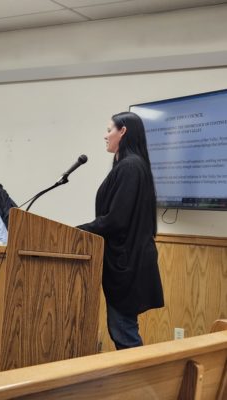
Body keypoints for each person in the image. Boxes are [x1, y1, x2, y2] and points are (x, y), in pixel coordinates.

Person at [77, 111, 164, 350]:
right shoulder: (131, 165)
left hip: (128, 263)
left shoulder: (130, 166)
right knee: (122, 330)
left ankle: (140, 375)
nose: (105, 136)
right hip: (127, 260)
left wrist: (76, 231)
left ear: (123, 131)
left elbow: (116, 220)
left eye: (109, 130)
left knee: (124, 332)